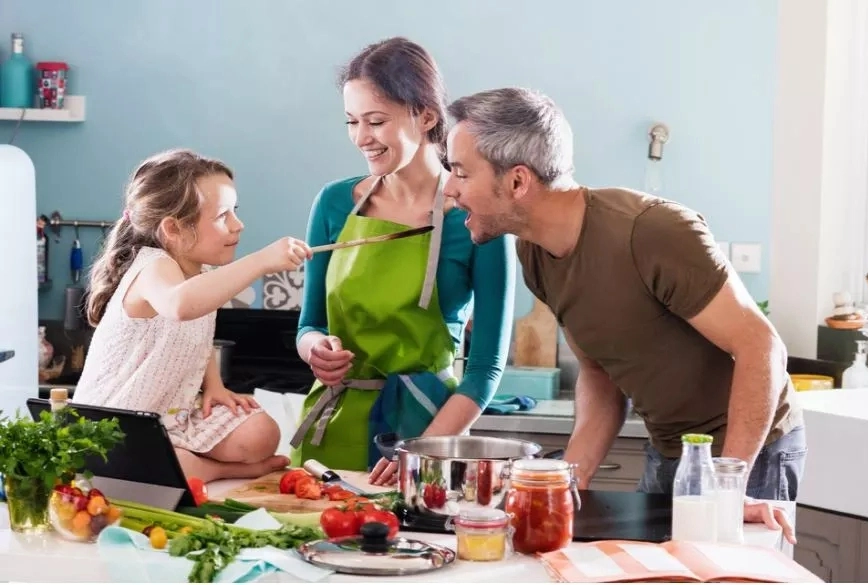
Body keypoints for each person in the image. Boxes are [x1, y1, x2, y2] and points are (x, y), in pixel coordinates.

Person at [441, 87, 805, 543]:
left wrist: (728, 490)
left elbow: (761, 346)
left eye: (459, 172)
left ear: (517, 181)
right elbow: (599, 372)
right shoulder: (533, 252)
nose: (449, 188)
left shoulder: (651, 231)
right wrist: (570, 480)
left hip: (749, 454)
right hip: (670, 449)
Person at [290, 37, 515, 484]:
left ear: (427, 116)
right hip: (331, 434)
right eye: (352, 122)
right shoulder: (334, 203)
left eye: (376, 121)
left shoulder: (476, 214)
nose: (361, 138)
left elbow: (486, 367)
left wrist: (422, 453)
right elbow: (308, 323)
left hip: (428, 436)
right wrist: (315, 350)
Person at [74, 148, 312, 483]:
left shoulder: (201, 275)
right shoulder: (152, 267)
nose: (238, 225)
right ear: (173, 229)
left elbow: (194, 334)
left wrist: (213, 385)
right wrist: (260, 261)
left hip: (172, 416)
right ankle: (213, 469)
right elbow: (180, 306)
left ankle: (189, 460)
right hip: (116, 425)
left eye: (235, 212)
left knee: (261, 431)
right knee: (158, 465)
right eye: (222, 216)